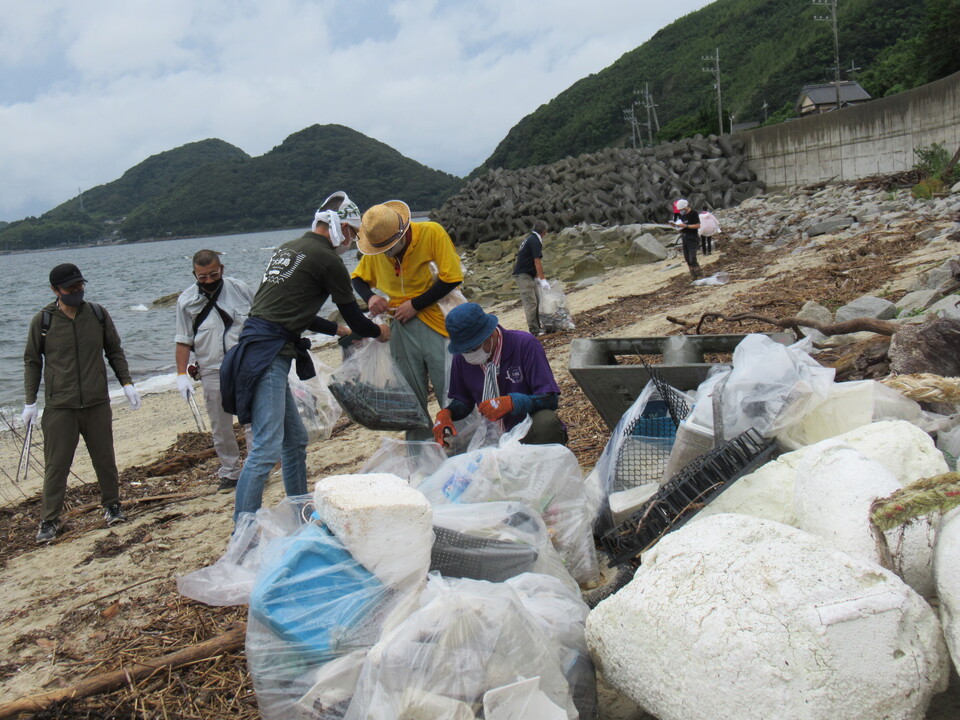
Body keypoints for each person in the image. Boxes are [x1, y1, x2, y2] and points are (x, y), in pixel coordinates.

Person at [221, 192, 390, 524]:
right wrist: (377, 332)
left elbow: (288, 308)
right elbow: (356, 319)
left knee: (295, 439)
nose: (353, 242)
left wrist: (334, 330)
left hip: (259, 344)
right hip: (268, 354)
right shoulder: (329, 260)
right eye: (353, 233)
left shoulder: (289, 247)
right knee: (265, 449)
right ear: (340, 227)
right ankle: (242, 532)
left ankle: (300, 511)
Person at [22, 263, 142, 543]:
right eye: (70, 288)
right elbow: (31, 361)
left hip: (96, 401)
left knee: (105, 459)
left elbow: (114, 350)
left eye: (80, 286)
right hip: (59, 406)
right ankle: (49, 520)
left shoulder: (97, 314)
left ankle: (112, 505)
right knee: (56, 466)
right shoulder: (43, 321)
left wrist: (127, 383)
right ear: (55, 290)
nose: (77, 291)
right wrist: (30, 401)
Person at [351, 200, 464, 441]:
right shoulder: (378, 249)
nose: (387, 253)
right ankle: (420, 455)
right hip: (399, 325)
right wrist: (370, 297)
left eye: (390, 247)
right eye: (382, 250)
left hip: (436, 317)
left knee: (449, 387)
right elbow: (358, 279)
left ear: (402, 232)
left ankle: (458, 446)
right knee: (411, 395)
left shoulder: (431, 233)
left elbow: (452, 277)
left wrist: (415, 305)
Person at [174, 249, 255, 493]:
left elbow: (260, 320)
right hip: (210, 368)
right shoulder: (186, 301)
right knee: (220, 425)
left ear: (222, 269)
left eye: (213, 274)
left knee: (252, 420)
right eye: (202, 277)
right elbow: (183, 340)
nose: (208, 280)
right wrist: (180, 375)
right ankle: (230, 472)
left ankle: (254, 470)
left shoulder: (240, 289)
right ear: (194, 274)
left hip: (244, 364)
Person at [432, 303, 566, 447]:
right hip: (491, 434)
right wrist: (447, 413)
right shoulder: (462, 359)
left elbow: (550, 399)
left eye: (473, 348)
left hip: (527, 429)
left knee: (546, 421)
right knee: (452, 446)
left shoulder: (524, 344)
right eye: (464, 350)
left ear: (488, 334)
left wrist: (514, 403)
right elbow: (464, 401)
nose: (469, 354)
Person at [512, 219, 549, 336]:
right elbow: (536, 261)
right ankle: (534, 330)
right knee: (531, 302)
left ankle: (538, 327)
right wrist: (542, 279)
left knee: (537, 300)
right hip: (523, 275)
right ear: (544, 232)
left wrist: (537, 277)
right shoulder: (535, 241)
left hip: (529, 274)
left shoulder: (530, 238)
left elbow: (530, 260)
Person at [674, 198, 702, 279]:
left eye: (682, 209)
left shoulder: (693, 213)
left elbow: (698, 225)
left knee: (692, 258)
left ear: (686, 207)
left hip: (692, 237)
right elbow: (681, 224)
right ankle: (693, 276)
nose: (680, 211)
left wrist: (687, 226)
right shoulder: (682, 215)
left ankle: (699, 275)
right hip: (684, 236)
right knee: (687, 258)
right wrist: (677, 226)